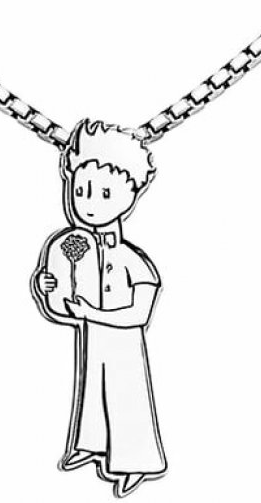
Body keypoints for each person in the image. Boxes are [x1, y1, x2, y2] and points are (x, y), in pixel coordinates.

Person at [32, 120, 167, 499]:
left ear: (131, 194)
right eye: (81, 191)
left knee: (126, 394)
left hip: (124, 341)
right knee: (92, 388)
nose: (89, 203)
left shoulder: (135, 262)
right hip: (95, 335)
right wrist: (48, 288)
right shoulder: (74, 247)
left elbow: (140, 314)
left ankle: (137, 462)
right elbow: (64, 303)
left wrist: (92, 313)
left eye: (105, 193)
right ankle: (90, 443)